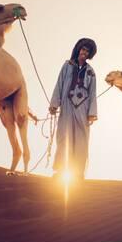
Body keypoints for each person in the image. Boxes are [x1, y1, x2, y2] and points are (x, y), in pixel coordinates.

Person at [49, 38, 98, 181]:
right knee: (64, 136)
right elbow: (59, 83)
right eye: (83, 49)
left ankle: (78, 172)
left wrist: (91, 114)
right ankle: (61, 170)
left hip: (83, 109)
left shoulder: (91, 72)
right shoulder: (67, 65)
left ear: (90, 54)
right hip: (66, 106)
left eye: (87, 51)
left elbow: (93, 93)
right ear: (78, 49)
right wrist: (54, 104)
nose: (84, 52)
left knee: (81, 139)